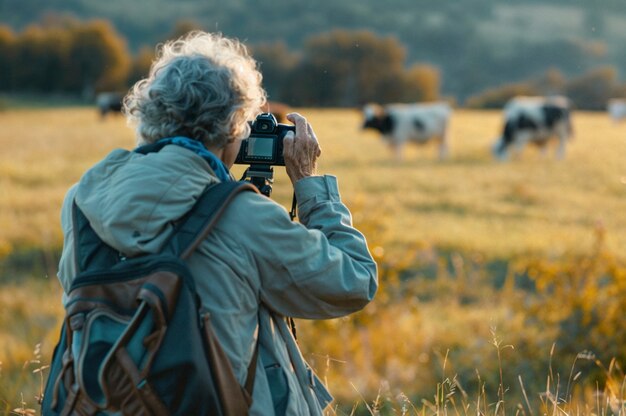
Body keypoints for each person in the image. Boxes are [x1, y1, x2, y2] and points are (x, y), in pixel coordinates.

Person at [56, 31, 378, 415]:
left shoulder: (82, 200)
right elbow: (355, 281)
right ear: (232, 126)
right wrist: (309, 185)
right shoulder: (240, 215)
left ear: (150, 114)